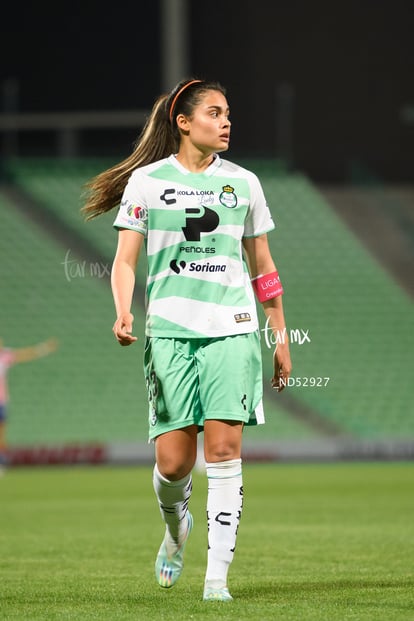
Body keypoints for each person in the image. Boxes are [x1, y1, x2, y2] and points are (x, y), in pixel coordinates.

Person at [82, 78, 292, 601]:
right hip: (171, 333)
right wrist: (123, 311)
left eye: (228, 114)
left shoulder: (244, 182)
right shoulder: (148, 183)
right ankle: (176, 532)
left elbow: (262, 264)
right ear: (183, 122)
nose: (226, 123)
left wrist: (280, 331)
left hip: (233, 331)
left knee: (223, 451)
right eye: (215, 113)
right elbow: (125, 260)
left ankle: (215, 582)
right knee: (174, 464)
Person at [0, 337, 58, 468]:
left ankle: (1, 462)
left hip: (2, 401)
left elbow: (25, 354)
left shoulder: (5, 356)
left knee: (1, 435)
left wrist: (44, 348)